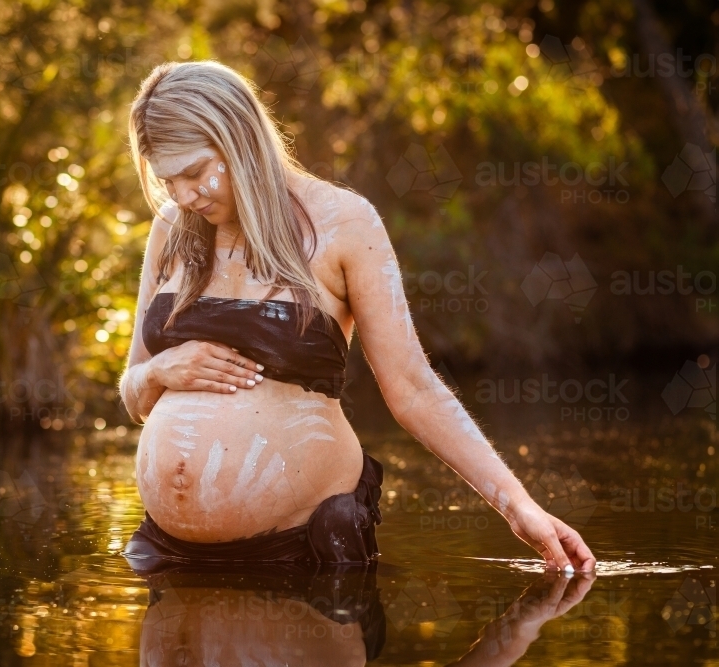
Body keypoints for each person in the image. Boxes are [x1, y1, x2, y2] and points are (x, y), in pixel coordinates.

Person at [117, 60, 597, 572]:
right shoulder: (173, 229)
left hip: (305, 549)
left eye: (194, 172)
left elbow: (413, 389)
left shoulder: (343, 223)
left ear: (238, 137)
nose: (184, 196)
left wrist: (516, 507)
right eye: (170, 181)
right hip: (167, 554)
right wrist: (157, 372)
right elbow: (134, 393)